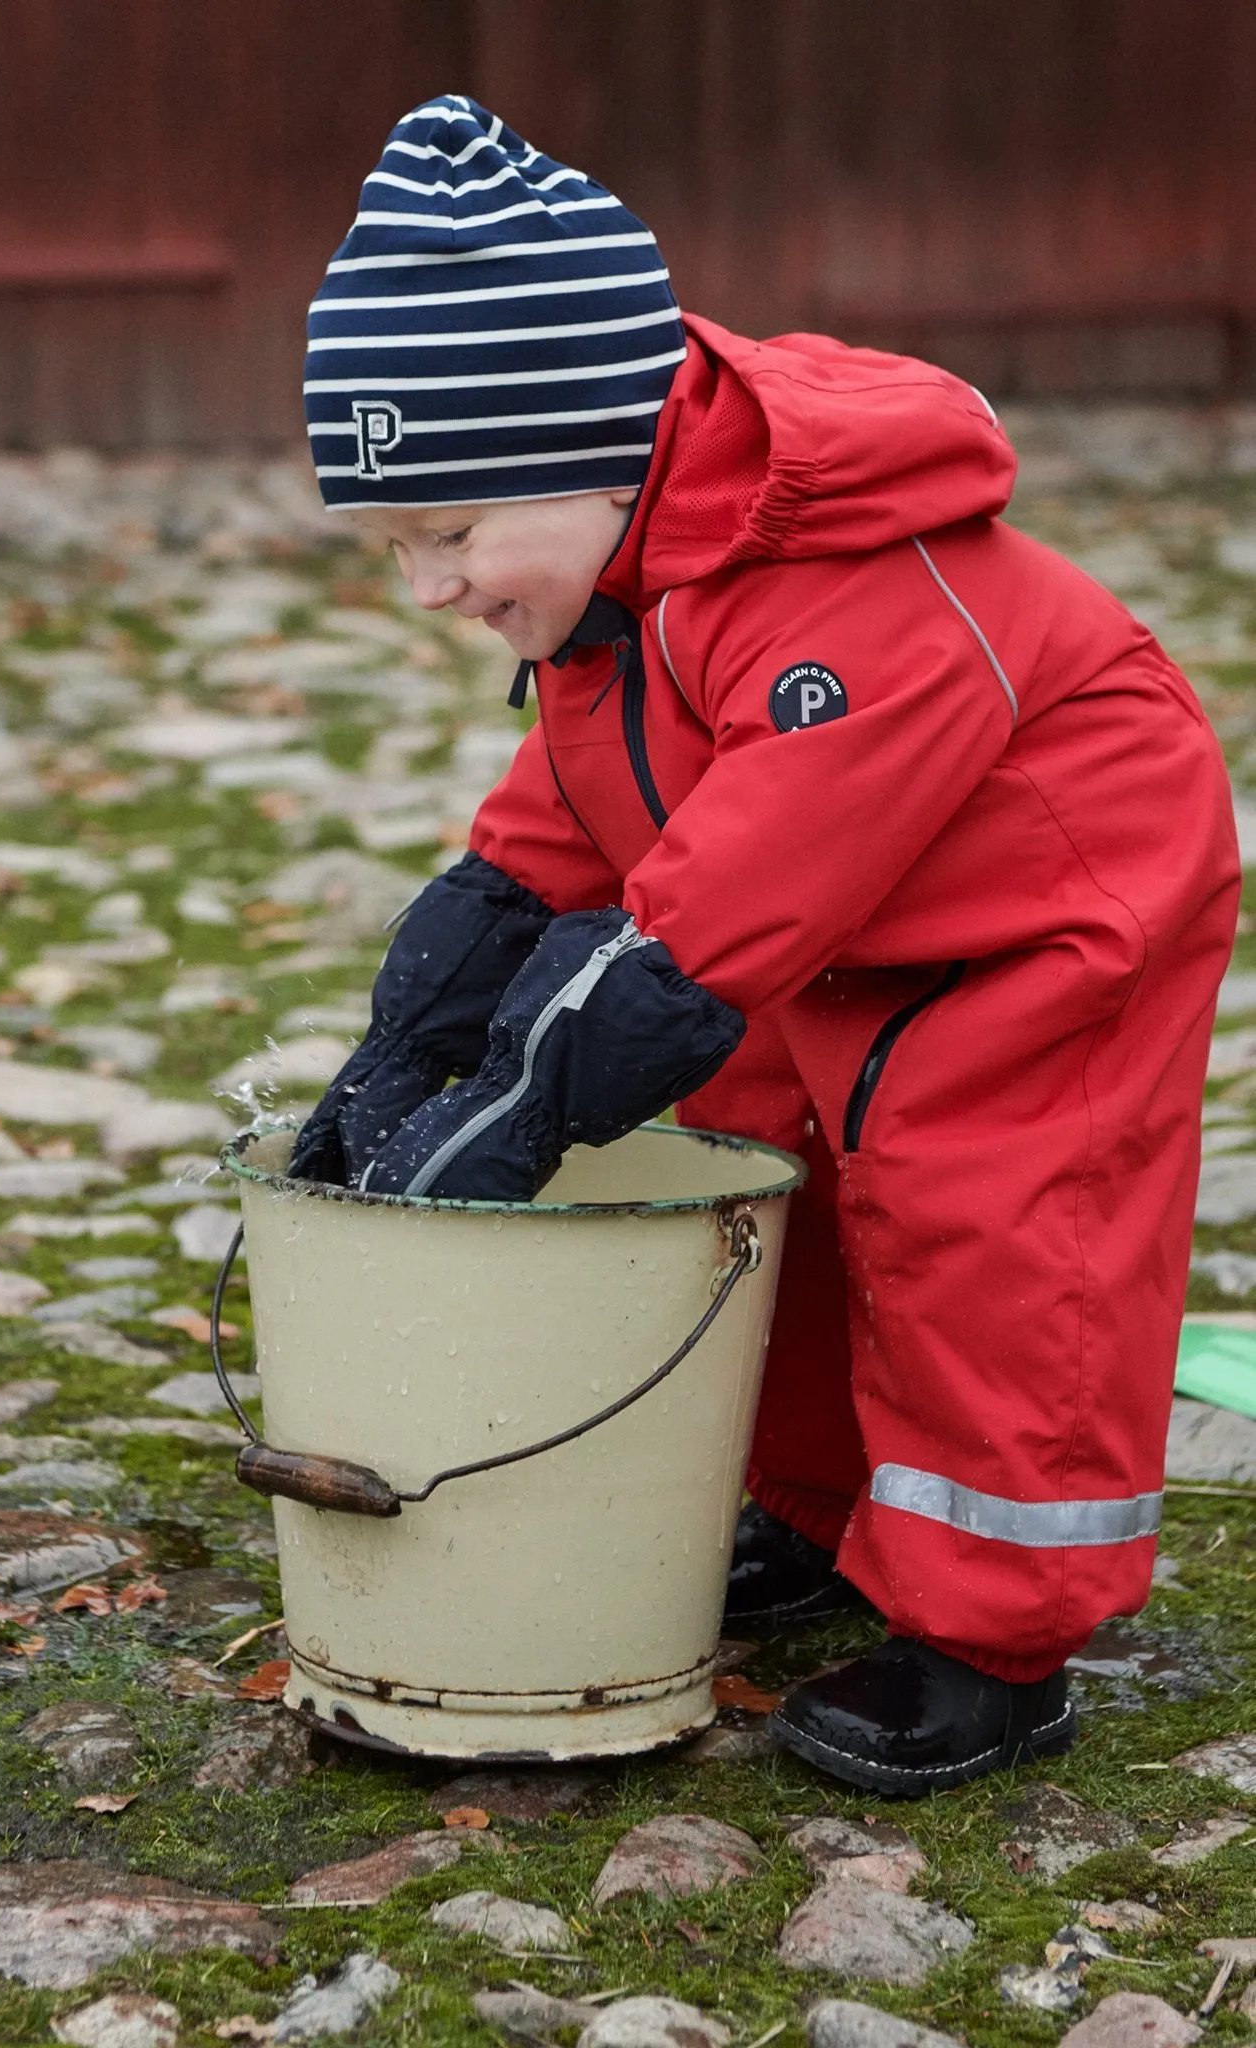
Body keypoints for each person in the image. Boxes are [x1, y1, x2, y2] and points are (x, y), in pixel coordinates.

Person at [291, 95, 1240, 1795]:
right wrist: (431, 1012)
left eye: (448, 534)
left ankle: (995, 1637)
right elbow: (573, 813)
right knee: (740, 1168)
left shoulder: (845, 586)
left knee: (985, 1229)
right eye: (394, 547)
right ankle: (805, 1508)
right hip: (810, 926)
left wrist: (529, 1097)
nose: (426, 588)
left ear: (600, 454)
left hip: (1034, 924)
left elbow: (740, 884)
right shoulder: (623, 588)